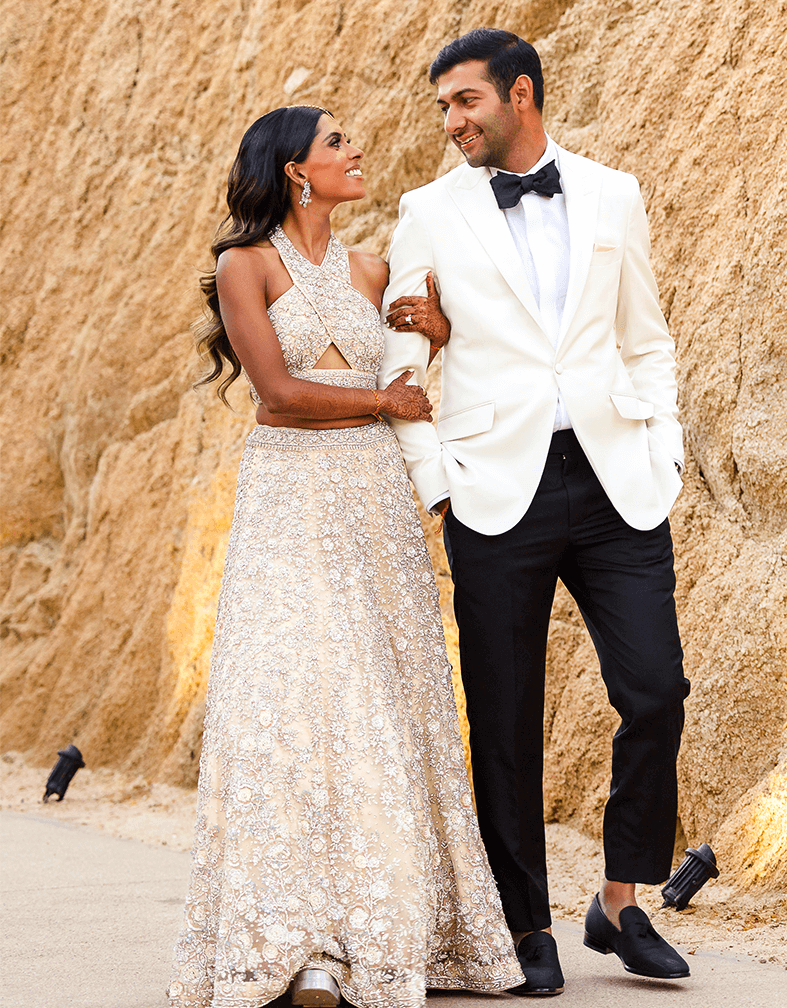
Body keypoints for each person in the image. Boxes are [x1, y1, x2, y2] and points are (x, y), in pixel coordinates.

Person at [168, 105, 523, 1008]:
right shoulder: (241, 266)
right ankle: (298, 941)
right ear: (294, 169)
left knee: (383, 698)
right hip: (288, 498)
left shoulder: (373, 269)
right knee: (290, 698)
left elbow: (417, 365)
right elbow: (280, 396)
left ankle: (396, 932)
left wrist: (434, 335)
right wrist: (383, 404)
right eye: (336, 142)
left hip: (372, 504)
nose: (354, 151)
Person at [379, 29, 692, 995]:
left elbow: (646, 338)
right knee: (505, 721)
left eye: (466, 101)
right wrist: (437, 481)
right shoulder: (425, 211)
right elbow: (402, 363)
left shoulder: (614, 193)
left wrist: (662, 448)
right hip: (491, 488)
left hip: (614, 484)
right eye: (442, 107)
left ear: (522, 94)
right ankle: (523, 927)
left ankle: (619, 900)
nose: (452, 122)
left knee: (657, 692)